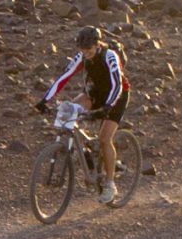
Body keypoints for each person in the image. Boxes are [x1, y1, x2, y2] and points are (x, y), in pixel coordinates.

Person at [39, 26, 129, 205]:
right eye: (82, 49)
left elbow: (117, 84)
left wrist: (107, 107)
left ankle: (111, 184)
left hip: (116, 97)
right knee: (70, 111)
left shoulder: (110, 56)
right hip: (94, 93)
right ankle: (87, 153)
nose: (85, 53)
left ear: (97, 45)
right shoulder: (82, 56)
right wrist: (44, 100)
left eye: (88, 49)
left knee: (104, 138)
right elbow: (64, 77)